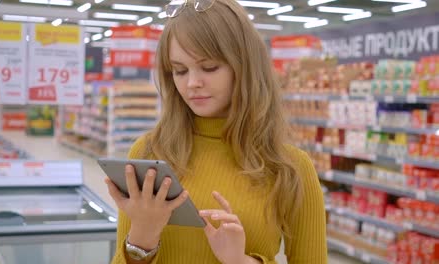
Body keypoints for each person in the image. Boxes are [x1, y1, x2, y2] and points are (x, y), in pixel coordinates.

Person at [105, 0, 327, 263]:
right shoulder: (148, 153)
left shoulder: (291, 168)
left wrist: (241, 261)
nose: (192, 83)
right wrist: (141, 239)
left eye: (209, 67)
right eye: (179, 70)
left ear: (244, 66)